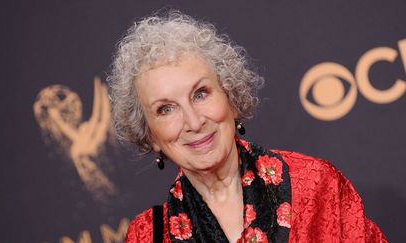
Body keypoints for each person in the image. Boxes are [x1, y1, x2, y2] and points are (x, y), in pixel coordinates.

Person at [107, 10, 386, 243]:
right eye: (166, 109)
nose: (193, 121)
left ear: (231, 98)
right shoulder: (147, 235)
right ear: (149, 135)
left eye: (200, 94)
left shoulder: (316, 185)